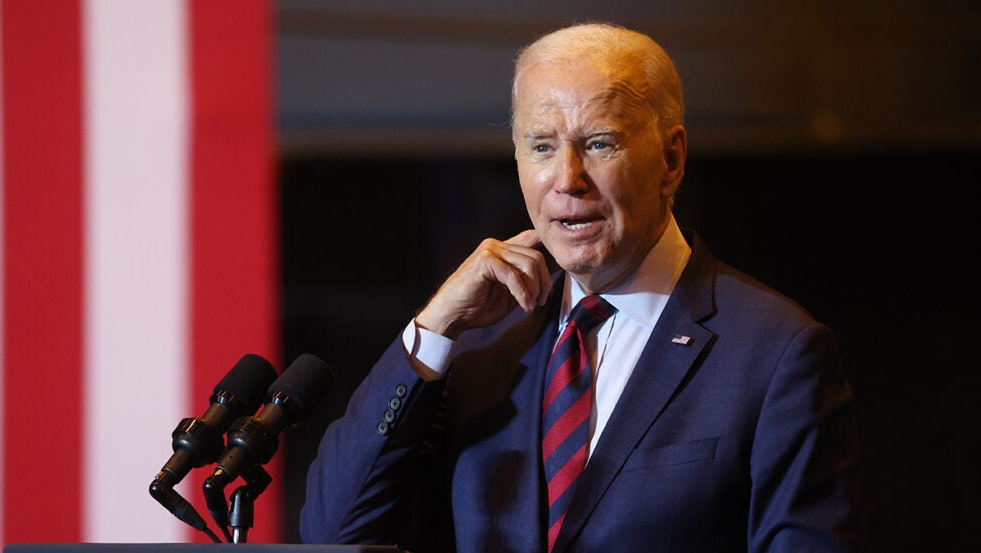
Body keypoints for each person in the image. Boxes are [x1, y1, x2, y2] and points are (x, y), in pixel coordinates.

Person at [299, 21, 859, 552]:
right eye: (542, 146)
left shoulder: (776, 352)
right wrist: (433, 331)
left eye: (599, 143)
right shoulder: (477, 344)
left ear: (671, 158)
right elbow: (334, 533)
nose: (567, 179)